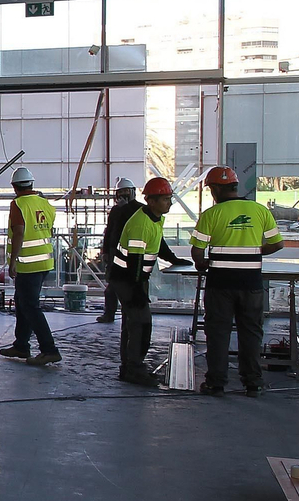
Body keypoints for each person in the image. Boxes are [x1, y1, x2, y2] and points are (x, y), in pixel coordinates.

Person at [191, 166, 284, 397]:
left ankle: (216, 383)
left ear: (215, 190)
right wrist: (255, 251)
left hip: (220, 285)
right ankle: (253, 383)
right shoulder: (259, 210)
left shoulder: (211, 215)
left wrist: (202, 263)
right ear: (234, 186)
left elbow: (197, 251)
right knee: (251, 332)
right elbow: (277, 244)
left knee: (218, 333)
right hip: (251, 284)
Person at [107, 178, 182, 386]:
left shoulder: (155, 218)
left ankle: (128, 367)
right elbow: (135, 261)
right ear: (151, 201)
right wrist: (138, 289)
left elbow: (158, 241)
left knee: (131, 323)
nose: (169, 203)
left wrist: (173, 258)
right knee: (141, 323)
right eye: (166, 199)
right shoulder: (141, 223)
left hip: (133, 277)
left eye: (170, 199)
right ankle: (135, 369)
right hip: (127, 278)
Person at [0, 167, 60, 366]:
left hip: (28, 264)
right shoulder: (45, 204)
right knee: (22, 301)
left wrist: (13, 261)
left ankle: (49, 349)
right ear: (31, 184)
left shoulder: (18, 204)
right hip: (45, 263)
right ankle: (22, 345)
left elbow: (19, 233)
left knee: (30, 307)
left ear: (15, 186)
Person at [96, 177, 140, 322]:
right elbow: (109, 231)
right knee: (112, 286)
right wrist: (106, 251)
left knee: (129, 286)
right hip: (115, 252)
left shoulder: (139, 209)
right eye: (120, 192)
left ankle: (128, 314)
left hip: (132, 253)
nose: (123, 195)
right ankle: (109, 314)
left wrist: (125, 208)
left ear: (133, 192)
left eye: (126, 191)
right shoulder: (115, 210)